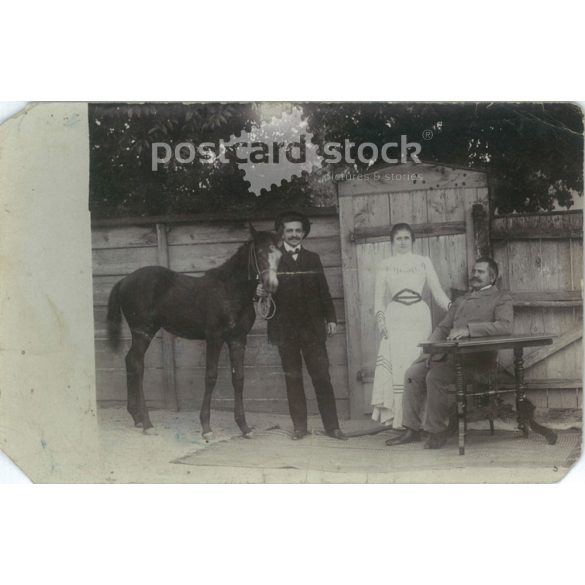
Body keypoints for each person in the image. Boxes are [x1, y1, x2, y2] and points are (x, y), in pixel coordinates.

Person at [386, 257, 513, 449]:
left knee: (434, 377)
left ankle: (436, 432)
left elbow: (505, 326)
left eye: (480, 272)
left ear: (492, 277)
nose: (475, 275)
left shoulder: (501, 298)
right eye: (473, 271)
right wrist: (428, 350)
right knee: (412, 373)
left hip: (476, 361)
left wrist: (470, 330)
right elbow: (443, 328)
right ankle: (411, 429)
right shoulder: (461, 300)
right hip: (447, 356)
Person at [257, 210, 346, 440]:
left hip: (312, 330)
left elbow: (324, 292)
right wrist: (258, 292)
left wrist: (332, 319)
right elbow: (264, 291)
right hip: (284, 330)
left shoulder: (313, 258)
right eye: (290, 231)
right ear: (282, 233)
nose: (294, 235)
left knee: (322, 377)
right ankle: (299, 427)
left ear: (304, 233)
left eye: (298, 230)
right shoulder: (272, 259)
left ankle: (332, 427)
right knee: (293, 378)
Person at [371, 223, 451, 428]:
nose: (403, 242)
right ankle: (400, 421)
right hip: (395, 316)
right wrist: (381, 322)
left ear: (413, 240)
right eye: (399, 238)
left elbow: (437, 292)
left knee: (417, 363)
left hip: (418, 316)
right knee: (399, 365)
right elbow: (378, 299)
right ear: (392, 242)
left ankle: (420, 420)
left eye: (407, 238)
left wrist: (453, 307)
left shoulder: (423, 262)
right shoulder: (386, 264)